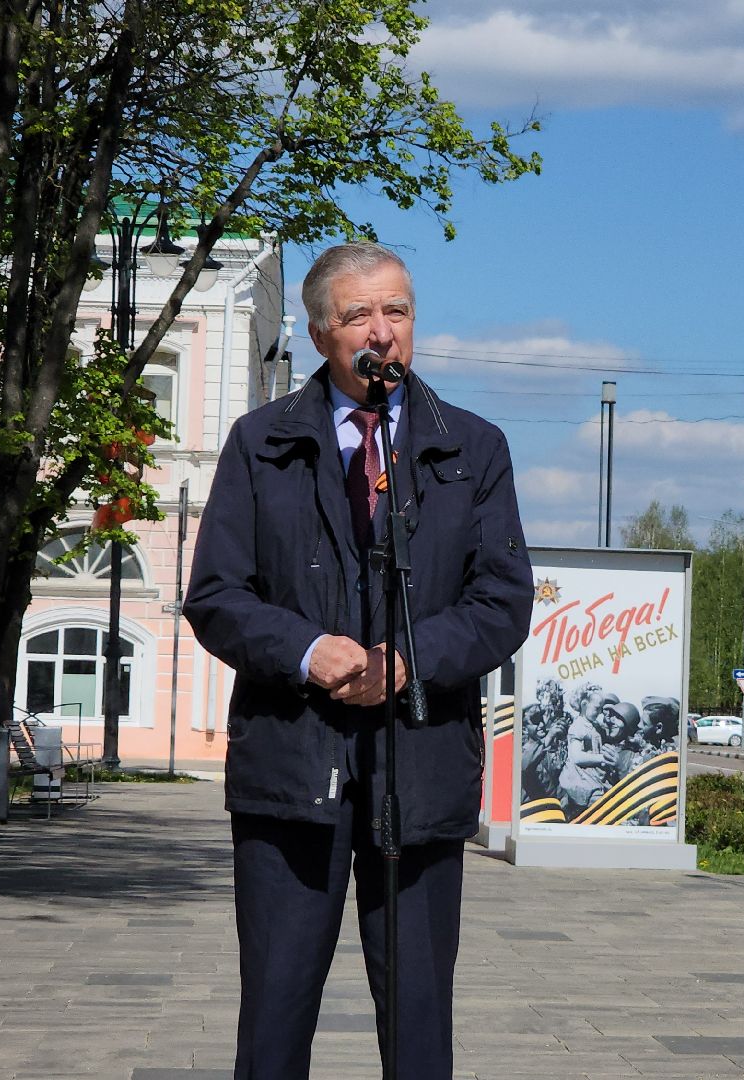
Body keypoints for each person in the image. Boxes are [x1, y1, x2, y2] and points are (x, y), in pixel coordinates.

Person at [184, 242, 532, 1080]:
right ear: (319, 335)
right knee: (274, 1017)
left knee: (418, 1023)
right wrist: (307, 652)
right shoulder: (260, 442)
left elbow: (502, 601)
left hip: (421, 769)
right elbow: (217, 595)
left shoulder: (472, 448)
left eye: (398, 311)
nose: (383, 332)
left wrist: (411, 659)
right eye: (359, 316)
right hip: (290, 768)